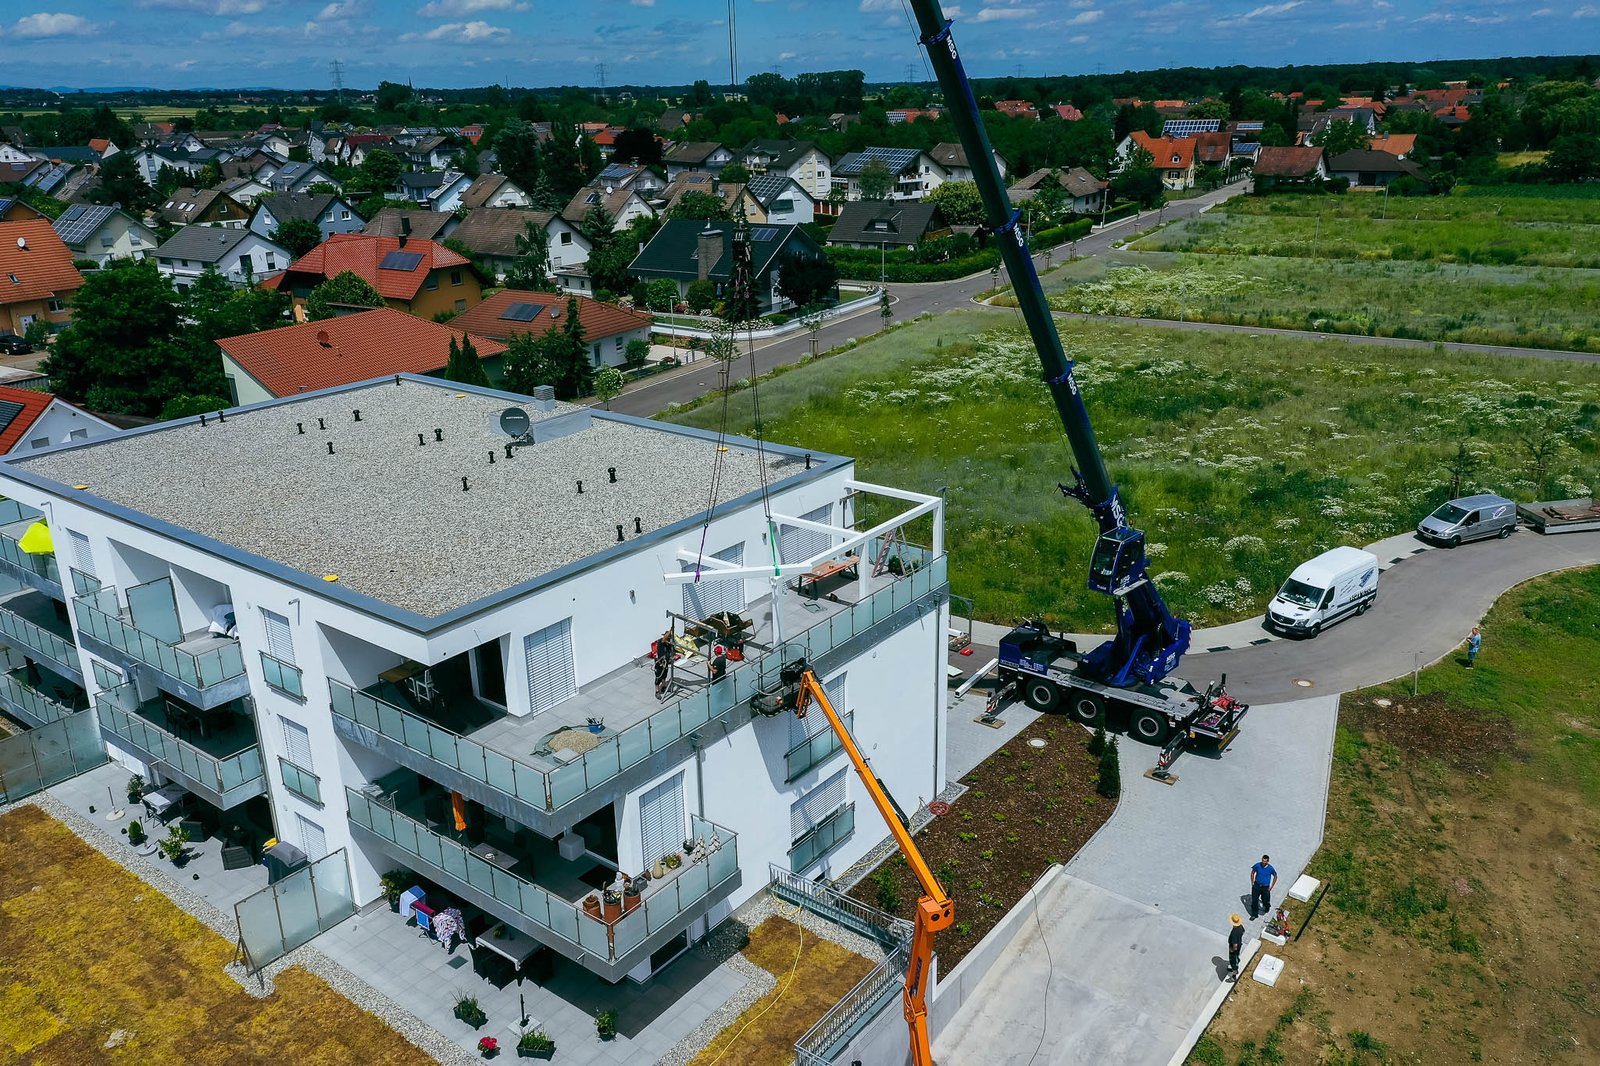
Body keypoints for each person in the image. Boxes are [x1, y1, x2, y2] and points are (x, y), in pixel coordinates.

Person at [1249, 854, 1277, 920]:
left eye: (1265, 861)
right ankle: (1254, 914)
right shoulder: (1257, 865)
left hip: (1265, 887)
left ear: (1268, 861)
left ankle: (1267, 906)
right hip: (1257, 886)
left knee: (1265, 900)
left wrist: (1271, 886)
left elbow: (1275, 876)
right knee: (1254, 900)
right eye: (1262, 861)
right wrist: (1252, 882)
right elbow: (1252, 872)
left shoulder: (1270, 868)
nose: (1263, 862)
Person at [653, 628, 674, 700]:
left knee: (664, 676)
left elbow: (670, 653)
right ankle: (657, 691)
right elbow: (664, 638)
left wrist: (671, 658)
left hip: (665, 664)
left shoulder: (669, 645)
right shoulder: (661, 642)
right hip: (660, 664)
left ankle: (664, 687)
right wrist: (671, 630)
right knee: (658, 678)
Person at [1227, 913, 1244, 980]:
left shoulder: (1234, 932)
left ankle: (1234, 975)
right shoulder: (1241, 927)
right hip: (1239, 945)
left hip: (1234, 948)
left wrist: (1233, 950)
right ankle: (1237, 961)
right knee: (1236, 957)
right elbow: (1243, 932)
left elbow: (1235, 944)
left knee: (1233, 961)